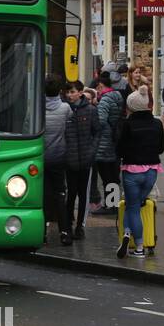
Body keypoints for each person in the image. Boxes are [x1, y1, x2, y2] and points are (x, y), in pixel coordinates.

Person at [116, 88, 164, 259]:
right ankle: (127, 232)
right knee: (136, 205)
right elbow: (160, 148)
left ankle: (138, 247)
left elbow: (119, 148)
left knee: (133, 207)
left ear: (131, 106)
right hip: (152, 171)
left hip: (132, 171)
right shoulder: (157, 124)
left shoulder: (127, 124)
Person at [64, 80, 99, 240]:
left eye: (72, 92)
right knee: (70, 193)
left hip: (85, 159)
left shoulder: (90, 110)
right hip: (70, 159)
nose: (69, 95)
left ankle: (80, 226)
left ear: (79, 92)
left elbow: (97, 132)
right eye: (68, 92)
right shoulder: (65, 110)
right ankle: (69, 224)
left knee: (83, 194)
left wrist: (91, 151)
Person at [43, 74, 73, 245]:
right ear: (59, 91)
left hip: (40, 157)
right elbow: (69, 130)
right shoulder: (65, 109)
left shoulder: (37, 108)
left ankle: (42, 232)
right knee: (60, 194)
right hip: (59, 156)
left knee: (44, 195)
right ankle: (64, 231)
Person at [93, 71, 124, 214]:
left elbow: (100, 120)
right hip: (115, 140)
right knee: (113, 174)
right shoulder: (117, 96)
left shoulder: (104, 100)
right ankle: (115, 203)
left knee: (106, 176)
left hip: (104, 141)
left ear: (100, 86)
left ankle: (110, 205)